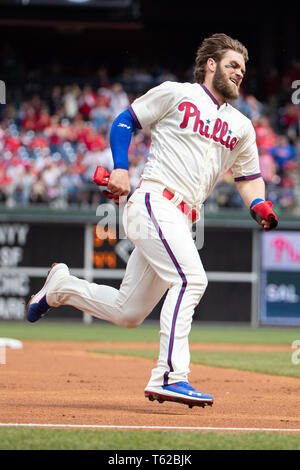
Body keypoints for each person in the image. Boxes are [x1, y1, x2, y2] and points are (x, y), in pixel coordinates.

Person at [26, 33, 278, 409]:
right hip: (155, 201)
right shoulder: (178, 94)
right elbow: (124, 120)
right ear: (210, 64)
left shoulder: (241, 126)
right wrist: (122, 169)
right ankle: (170, 376)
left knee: (128, 312)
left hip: (182, 217)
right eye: (231, 65)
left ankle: (61, 287)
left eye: (243, 68)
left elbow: (247, 176)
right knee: (192, 278)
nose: (239, 73)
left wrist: (258, 203)